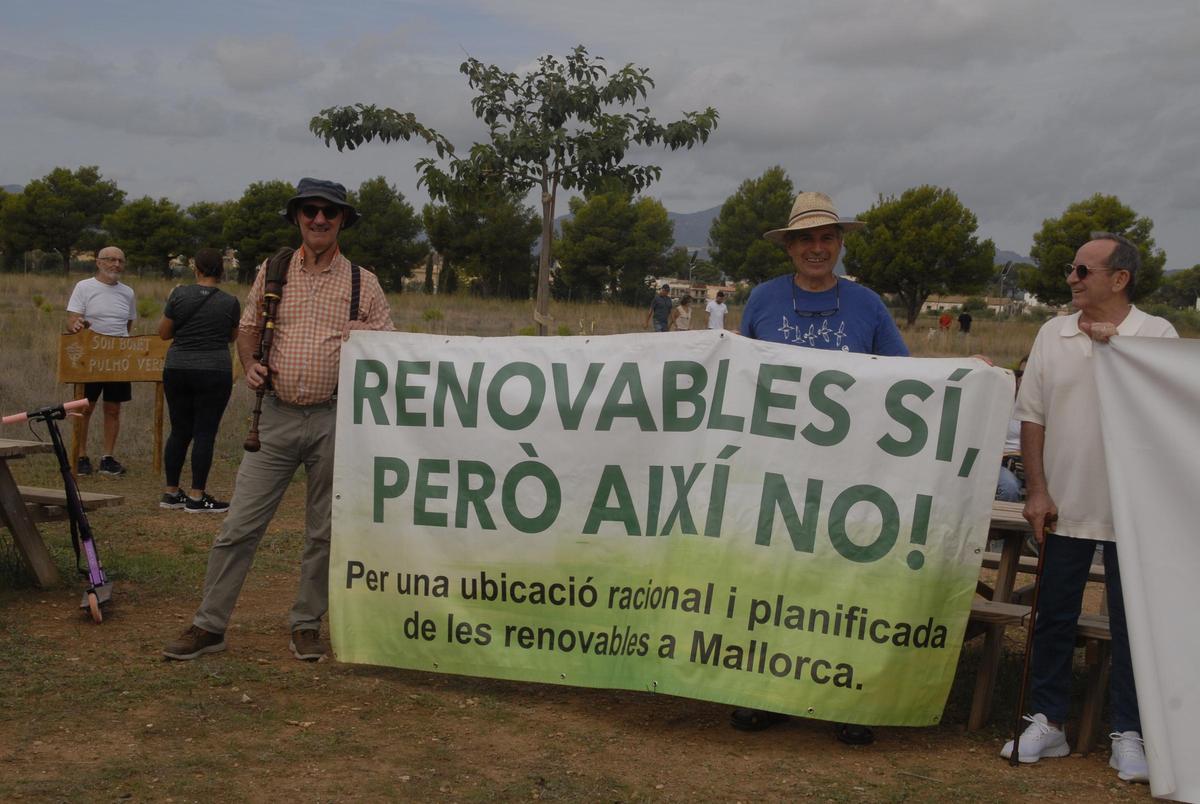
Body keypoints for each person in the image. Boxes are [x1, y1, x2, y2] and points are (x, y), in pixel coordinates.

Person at [163, 178, 394, 663]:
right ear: (297, 218)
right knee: (239, 526)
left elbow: (390, 345)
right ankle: (210, 624)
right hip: (273, 418)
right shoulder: (274, 270)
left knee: (324, 531)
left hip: (337, 420)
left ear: (343, 221)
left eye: (329, 213)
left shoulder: (363, 282)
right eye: (310, 211)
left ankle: (307, 624)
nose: (319, 220)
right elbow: (247, 330)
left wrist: (368, 333)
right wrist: (249, 364)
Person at [1002, 232, 1177, 784]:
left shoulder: (1157, 334)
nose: (1071, 279)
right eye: (1071, 270)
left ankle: (1130, 731)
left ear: (1119, 279)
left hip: (1136, 510)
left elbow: (1172, 411)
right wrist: (1036, 489)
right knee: (1052, 616)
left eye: (1082, 270)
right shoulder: (1051, 332)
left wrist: (1120, 349)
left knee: (1134, 624)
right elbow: (1032, 417)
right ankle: (1047, 720)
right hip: (1063, 503)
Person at [735, 191, 909, 746]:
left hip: (852, 473)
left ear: (839, 243)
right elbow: (738, 381)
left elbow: (905, 382)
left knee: (846, 584)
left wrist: (967, 375)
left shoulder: (868, 307)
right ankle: (768, 694)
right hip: (777, 473)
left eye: (826, 237)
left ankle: (850, 698)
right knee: (776, 582)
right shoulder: (761, 301)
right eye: (805, 238)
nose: (817, 248)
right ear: (789, 247)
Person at [157, 248, 241, 513]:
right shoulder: (230, 302)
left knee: (179, 430)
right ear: (222, 271)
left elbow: (163, 333)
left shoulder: (179, 295)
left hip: (177, 367)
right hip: (214, 370)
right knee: (205, 432)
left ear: (196, 269)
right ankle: (196, 496)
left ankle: (171, 492)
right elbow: (232, 337)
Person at [66, 246, 136, 477]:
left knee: (113, 409)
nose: (116, 265)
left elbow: (127, 324)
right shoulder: (84, 287)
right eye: (111, 260)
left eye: (120, 261)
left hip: (117, 358)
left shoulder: (128, 292)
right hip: (91, 357)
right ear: (98, 262)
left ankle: (107, 458)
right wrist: (77, 326)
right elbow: (72, 320)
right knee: (85, 407)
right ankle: (82, 455)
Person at [995, 355, 1028, 503]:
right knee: (1009, 487)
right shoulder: (1002, 403)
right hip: (1004, 461)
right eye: (1020, 374)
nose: (1023, 379)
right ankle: (1002, 525)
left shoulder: (1049, 406)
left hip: (1034, 464)